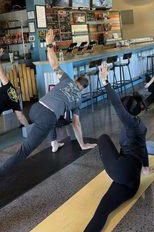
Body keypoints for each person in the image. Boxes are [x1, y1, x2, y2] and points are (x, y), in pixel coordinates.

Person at [0, 29, 96, 177]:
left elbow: (53, 63)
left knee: (53, 119)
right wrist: (82, 144)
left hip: (34, 109)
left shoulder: (66, 79)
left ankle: (54, 143)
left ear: (76, 80)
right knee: (24, 150)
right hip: (46, 118)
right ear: (83, 88)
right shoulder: (78, 99)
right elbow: (76, 125)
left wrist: (49, 44)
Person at [84, 62, 152, 232]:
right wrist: (145, 166)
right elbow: (142, 148)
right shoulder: (140, 125)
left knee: (103, 138)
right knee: (103, 210)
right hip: (131, 183)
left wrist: (105, 81)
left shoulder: (129, 122)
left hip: (122, 169)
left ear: (127, 113)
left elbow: (117, 104)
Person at [0, 48, 29, 127]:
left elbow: (1, 73)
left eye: (18, 88)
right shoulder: (15, 102)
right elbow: (20, 117)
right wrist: (28, 127)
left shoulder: (9, 87)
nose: (18, 87)